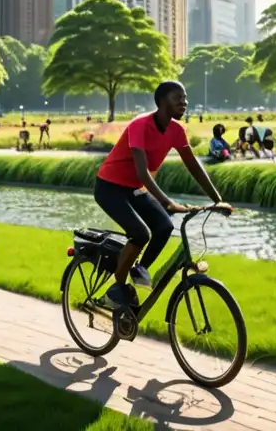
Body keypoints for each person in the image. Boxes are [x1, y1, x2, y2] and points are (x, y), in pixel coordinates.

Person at [94, 81, 231, 310]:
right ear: (161, 102)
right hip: (109, 186)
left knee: (164, 227)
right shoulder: (140, 125)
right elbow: (143, 172)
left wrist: (218, 200)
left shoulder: (177, 131)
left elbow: (193, 166)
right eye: (178, 98)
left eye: (185, 98)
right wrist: (168, 202)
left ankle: (139, 270)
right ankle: (116, 289)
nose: (184, 102)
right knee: (140, 233)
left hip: (134, 188)